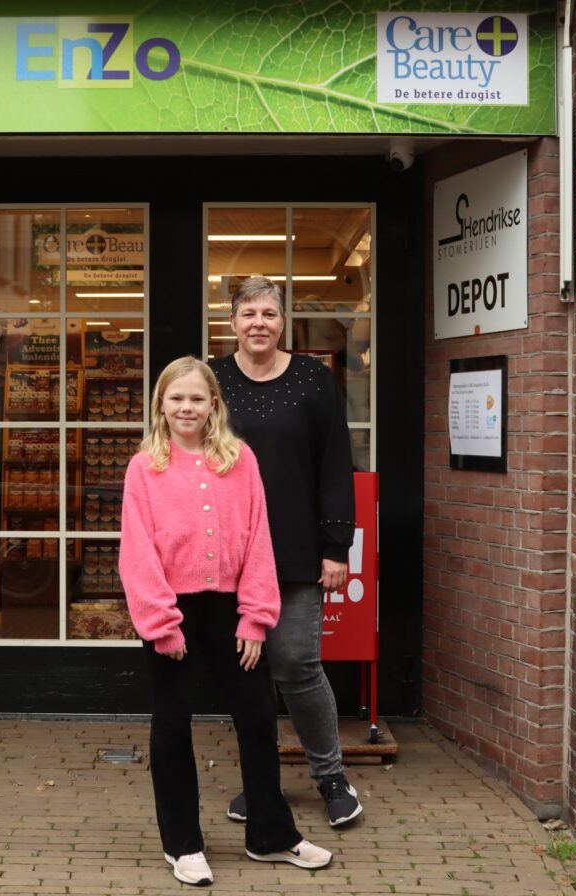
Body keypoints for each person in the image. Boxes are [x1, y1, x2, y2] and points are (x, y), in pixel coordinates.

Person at [118, 356, 332, 886]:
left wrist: (256, 617)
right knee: (173, 723)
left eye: (197, 398)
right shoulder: (145, 467)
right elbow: (136, 552)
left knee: (258, 717)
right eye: (176, 398)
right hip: (172, 610)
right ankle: (183, 843)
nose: (186, 408)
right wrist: (161, 623)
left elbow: (259, 540)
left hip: (232, 608)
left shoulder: (239, 460)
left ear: (214, 404)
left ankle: (270, 835)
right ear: (161, 405)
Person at [209, 275, 362, 828]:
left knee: (297, 663)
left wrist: (336, 546)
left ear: (282, 322)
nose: (258, 323)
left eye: (269, 314)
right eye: (248, 313)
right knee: (247, 672)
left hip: (294, 546)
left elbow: (334, 463)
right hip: (228, 551)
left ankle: (331, 776)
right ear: (232, 322)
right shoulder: (213, 380)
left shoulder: (312, 379)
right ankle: (261, 784)